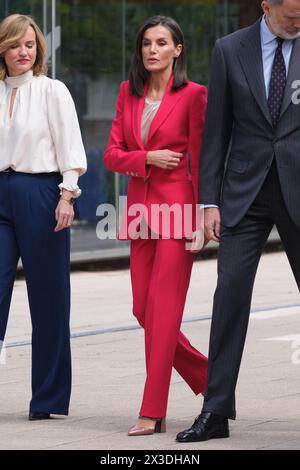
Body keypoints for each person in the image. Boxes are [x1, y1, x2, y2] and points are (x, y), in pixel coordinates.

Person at [176, 0, 300, 443]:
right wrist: (208, 201)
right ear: (267, 7)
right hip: (243, 193)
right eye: (291, 17)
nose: (297, 24)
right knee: (229, 297)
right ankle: (216, 411)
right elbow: (216, 131)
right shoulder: (230, 50)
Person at [104, 15, 208, 436]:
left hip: (178, 213)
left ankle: (152, 410)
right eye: (147, 42)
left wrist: (203, 216)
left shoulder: (194, 95)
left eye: (162, 43)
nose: (152, 50)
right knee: (142, 310)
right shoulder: (128, 94)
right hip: (140, 215)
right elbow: (112, 155)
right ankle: (212, 378)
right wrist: (145, 158)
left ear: (177, 50)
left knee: (163, 312)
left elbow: (202, 159)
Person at [0, 14, 87, 420]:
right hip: (1, 192)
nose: (24, 51)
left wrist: (67, 196)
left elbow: (70, 145)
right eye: (16, 44)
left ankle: (48, 399)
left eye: (30, 45)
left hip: (42, 193)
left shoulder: (52, 90)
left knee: (49, 297)